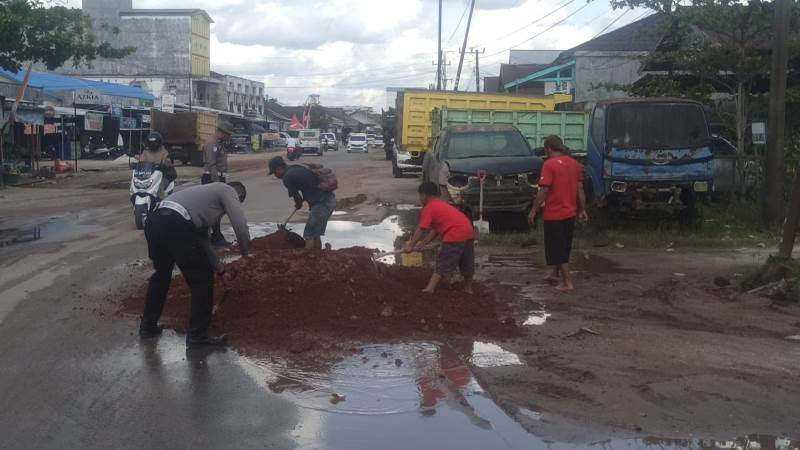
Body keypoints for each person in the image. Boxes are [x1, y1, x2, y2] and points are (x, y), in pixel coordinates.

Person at [139, 181, 251, 349]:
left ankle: (147, 327)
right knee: (202, 280)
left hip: (154, 221)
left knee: (161, 276)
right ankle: (198, 336)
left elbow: (202, 242)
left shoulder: (201, 201)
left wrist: (220, 271)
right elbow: (239, 223)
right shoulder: (228, 190)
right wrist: (245, 254)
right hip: (176, 224)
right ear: (238, 196)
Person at [528, 135, 588, 293]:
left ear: (548, 148)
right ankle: (555, 273)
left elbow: (544, 190)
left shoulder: (549, 165)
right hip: (570, 213)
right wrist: (582, 209)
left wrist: (534, 210)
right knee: (564, 245)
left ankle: (567, 282)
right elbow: (580, 189)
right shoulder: (574, 164)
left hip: (554, 214)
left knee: (556, 248)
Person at [404, 182, 475, 294]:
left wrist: (410, 246)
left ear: (424, 195)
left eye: (420, 196)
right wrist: (423, 243)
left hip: (455, 234)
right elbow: (435, 230)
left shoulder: (429, 208)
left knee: (443, 261)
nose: (420, 198)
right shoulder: (441, 204)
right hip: (468, 231)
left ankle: (430, 288)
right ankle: (468, 289)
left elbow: (421, 229)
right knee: (467, 262)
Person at [268, 156, 336, 250]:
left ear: (279, 168)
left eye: (275, 173)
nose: (275, 176)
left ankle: (307, 257)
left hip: (321, 204)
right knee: (315, 233)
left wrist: (298, 204)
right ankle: (318, 255)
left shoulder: (287, 177)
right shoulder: (295, 167)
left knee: (309, 234)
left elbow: (298, 200)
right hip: (328, 200)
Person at [202, 119, 235, 246]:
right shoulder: (212, 143)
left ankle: (215, 235)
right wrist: (216, 183)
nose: (229, 137)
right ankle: (214, 237)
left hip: (217, 178)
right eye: (228, 134)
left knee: (217, 209)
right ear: (222, 132)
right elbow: (211, 164)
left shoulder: (218, 143)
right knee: (213, 209)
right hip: (211, 178)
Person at [138, 131, 176, 198]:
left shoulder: (164, 151)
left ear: (159, 142)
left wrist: (164, 164)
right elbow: (141, 161)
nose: (153, 144)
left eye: (154, 142)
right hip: (149, 174)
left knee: (159, 187)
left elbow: (167, 161)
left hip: (163, 174)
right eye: (151, 142)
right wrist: (135, 165)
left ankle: (162, 199)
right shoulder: (146, 152)